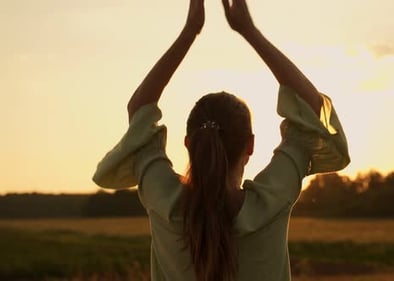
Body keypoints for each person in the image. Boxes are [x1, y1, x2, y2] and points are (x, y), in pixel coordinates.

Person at [92, 0, 350, 280]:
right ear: (250, 145)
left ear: (188, 143)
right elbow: (313, 111)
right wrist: (249, 31)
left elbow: (138, 110)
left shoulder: (165, 200)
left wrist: (189, 32)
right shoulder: (271, 200)